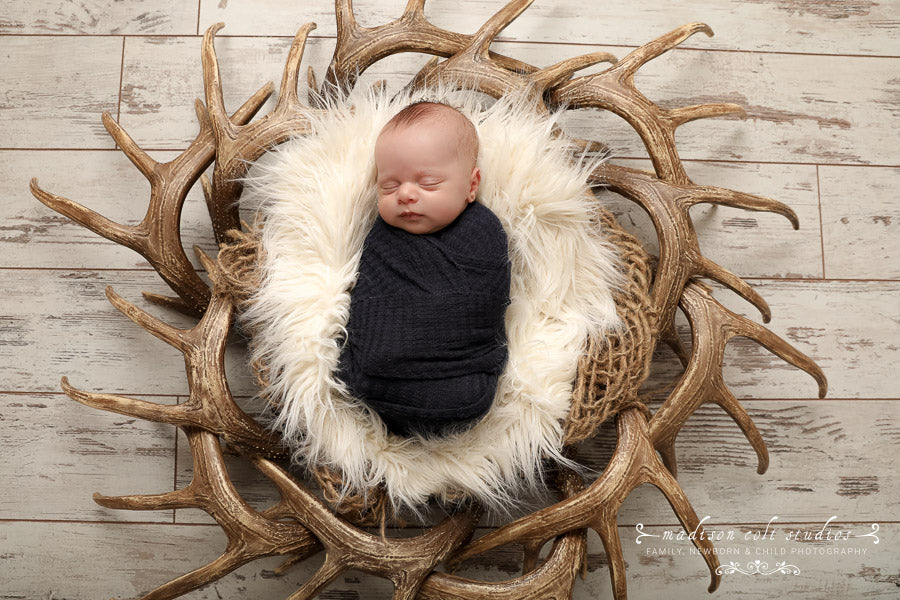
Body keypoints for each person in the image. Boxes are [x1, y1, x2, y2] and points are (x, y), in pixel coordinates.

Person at [337, 101, 511, 437]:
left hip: (464, 385)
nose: (404, 194)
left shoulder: (484, 232)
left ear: (471, 186)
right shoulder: (382, 237)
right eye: (388, 185)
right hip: (375, 385)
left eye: (427, 183)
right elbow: (366, 301)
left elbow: (487, 303)